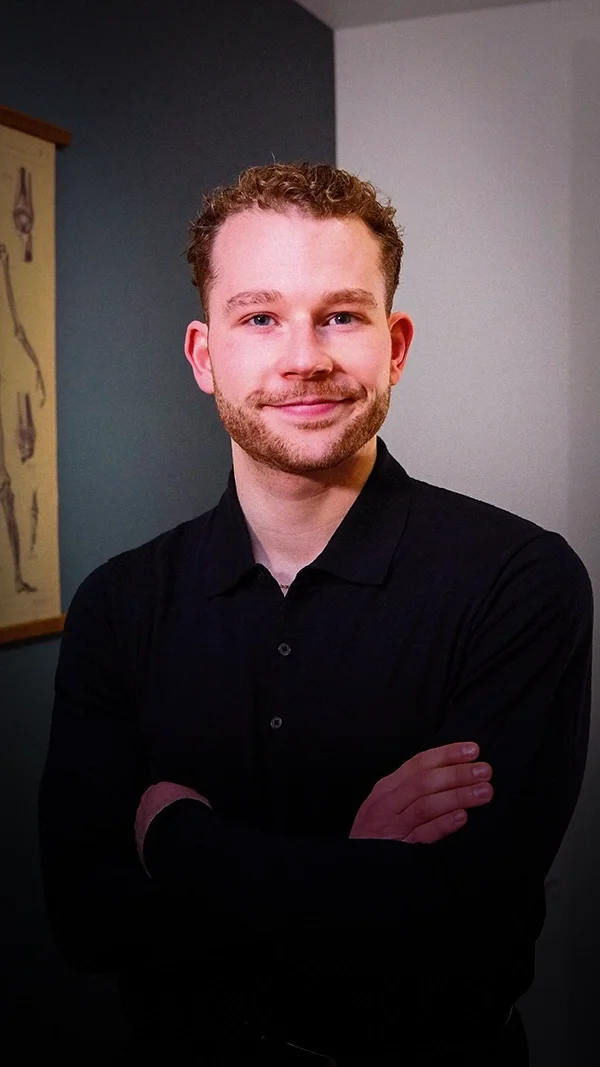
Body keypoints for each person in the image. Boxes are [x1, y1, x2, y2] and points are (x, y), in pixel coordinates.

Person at [38, 162, 593, 1066]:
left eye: (341, 314)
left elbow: (464, 938)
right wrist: (357, 865)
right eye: (259, 317)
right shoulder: (118, 603)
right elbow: (86, 922)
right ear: (203, 354)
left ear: (396, 344)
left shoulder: (521, 580)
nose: (304, 356)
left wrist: (179, 841)